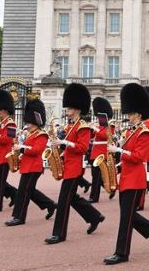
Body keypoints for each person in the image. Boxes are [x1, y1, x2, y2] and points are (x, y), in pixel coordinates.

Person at [103, 83, 149, 265]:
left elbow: (139, 157)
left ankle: (122, 253)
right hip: (127, 176)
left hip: (136, 178)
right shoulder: (132, 131)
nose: (128, 117)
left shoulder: (144, 133)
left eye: (130, 114)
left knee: (126, 218)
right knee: (128, 214)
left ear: (138, 114)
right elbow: (130, 155)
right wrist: (118, 165)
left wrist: (119, 151)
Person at [45, 83, 105, 245]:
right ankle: (94, 216)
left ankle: (59, 233)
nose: (67, 111)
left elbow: (83, 148)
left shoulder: (82, 127)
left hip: (74, 168)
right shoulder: (71, 126)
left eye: (70, 109)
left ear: (78, 109)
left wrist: (64, 143)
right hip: (68, 166)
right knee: (72, 198)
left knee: (64, 201)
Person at [5, 99, 56, 226]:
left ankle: (19, 217)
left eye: (29, 121)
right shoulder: (31, 134)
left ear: (34, 121)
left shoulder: (41, 135)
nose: (27, 124)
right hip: (27, 166)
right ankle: (50, 204)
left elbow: (36, 150)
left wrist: (21, 148)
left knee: (23, 192)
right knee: (30, 191)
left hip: (34, 167)